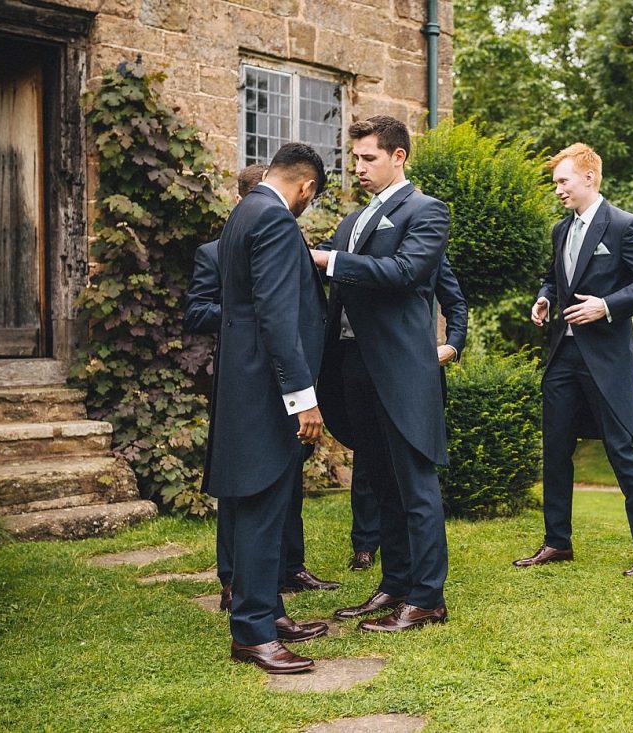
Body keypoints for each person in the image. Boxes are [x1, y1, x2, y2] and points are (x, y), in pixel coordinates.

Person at [312, 115, 451, 632]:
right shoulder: (353, 221)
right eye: (355, 159)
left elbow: (405, 273)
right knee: (383, 484)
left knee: (415, 486)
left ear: (399, 157)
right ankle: (395, 585)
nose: (359, 168)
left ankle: (428, 598)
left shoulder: (427, 211)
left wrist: (330, 260)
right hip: (353, 366)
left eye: (369, 158)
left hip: (401, 369)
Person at [514, 143, 633, 576]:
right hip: (562, 356)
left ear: (589, 177)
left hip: (605, 360)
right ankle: (556, 542)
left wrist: (606, 305)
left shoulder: (624, 226)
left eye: (563, 181)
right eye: (555, 184)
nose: (558, 190)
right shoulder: (560, 230)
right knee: (555, 450)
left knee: (624, 451)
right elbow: (554, 277)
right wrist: (545, 298)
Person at [187, 164, 339, 613]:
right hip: (266, 387)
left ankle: (270, 611)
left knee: (269, 503)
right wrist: (303, 398)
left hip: (250, 383)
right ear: (306, 186)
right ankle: (256, 628)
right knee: (257, 507)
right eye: (311, 197)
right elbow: (275, 316)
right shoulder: (273, 218)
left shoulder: (243, 215)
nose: (306, 205)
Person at [345, 254, 467, 572]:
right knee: (368, 463)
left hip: (412, 369)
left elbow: (455, 301)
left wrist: (453, 345)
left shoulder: (426, 252)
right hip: (359, 362)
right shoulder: (355, 248)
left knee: (413, 463)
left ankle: (414, 555)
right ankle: (365, 545)